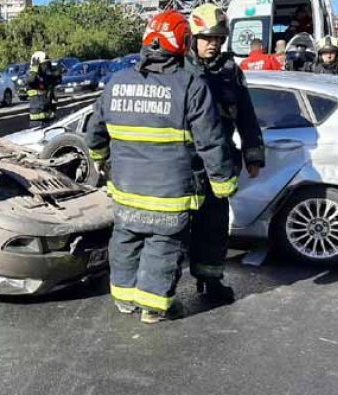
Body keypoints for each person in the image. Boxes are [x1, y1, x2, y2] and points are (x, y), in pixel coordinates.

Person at [86, 9, 237, 324]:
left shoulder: (118, 81)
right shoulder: (191, 84)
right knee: (162, 246)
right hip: (169, 193)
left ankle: (125, 300)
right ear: (182, 41)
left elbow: (95, 134)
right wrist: (223, 182)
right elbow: (210, 141)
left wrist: (99, 158)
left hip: (126, 191)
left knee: (125, 241)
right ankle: (154, 307)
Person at [185, 3, 265, 303]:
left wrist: (253, 154)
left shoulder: (231, 70)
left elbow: (246, 114)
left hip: (218, 165)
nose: (214, 44)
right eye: (207, 38)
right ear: (193, 38)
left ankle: (209, 280)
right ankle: (162, 286)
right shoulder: (180, 69)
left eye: (219, 38)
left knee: (214, 227)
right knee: (173, 230)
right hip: (183, 165)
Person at [25, 51, 62, 128]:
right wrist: (34, 69)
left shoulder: (45, 77)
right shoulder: (31, 77)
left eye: (47, 64)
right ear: (37, 65)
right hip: (37, 121)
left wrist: (57, 72)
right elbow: (31, 80)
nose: (46, 67)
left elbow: (56, 81)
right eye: (44, 65)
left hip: (49, 117)